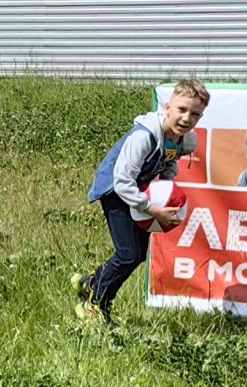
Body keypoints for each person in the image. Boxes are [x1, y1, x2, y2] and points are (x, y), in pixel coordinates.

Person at [71, 78, 209, 325]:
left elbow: (170, 159)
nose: (187, 118)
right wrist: (152, 209)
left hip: (139, 190)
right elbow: (122, 180)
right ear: (167, 107)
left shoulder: (186, 140)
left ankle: (90, 283)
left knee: (137, 255)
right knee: (128, 254)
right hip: (115, 189)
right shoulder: (144, 137)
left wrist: (166, 186)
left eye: (195, 114)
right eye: (181, 109)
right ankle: (95, 304)